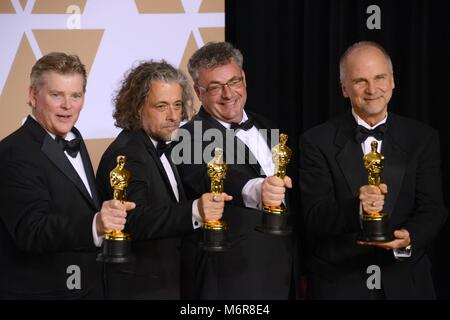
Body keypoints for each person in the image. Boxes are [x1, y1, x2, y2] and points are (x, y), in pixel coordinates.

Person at [298, 41, 448, 299]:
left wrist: (408, 237)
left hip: (407, 283)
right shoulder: (315, 141)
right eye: (360, 81)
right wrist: (358, 208)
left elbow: (433, 209)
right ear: (345, 88)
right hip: (340, 283)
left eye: (379, 78)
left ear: (392, 81)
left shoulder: (423, 138)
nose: (372, 90)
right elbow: (314, 216)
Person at [0, 52, 133, 299]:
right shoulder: (13, 153)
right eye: (56, 95)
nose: (68, 106)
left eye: (76, 96)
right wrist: (95, 224)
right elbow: (32, 230)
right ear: (32, 95)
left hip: (87, 287)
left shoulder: (74, 138)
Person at [96, 60, 231, 299]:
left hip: (167, 283)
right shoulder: (127, 154)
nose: (172, 116)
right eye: (161, 106)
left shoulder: (159, 146)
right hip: (141, 289)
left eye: (177, 105)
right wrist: (195, 210)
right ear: (138, 108)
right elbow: (134, 219)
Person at [175, 41, 296, 299]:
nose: (228, 94)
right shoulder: (187, 137)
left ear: (244, 80)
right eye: (216, 87)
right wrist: (258, 188)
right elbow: (215, 175)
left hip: (284, 269)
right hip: (233, 278)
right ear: (199, 92)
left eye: (234, 82)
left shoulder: (268, 126)